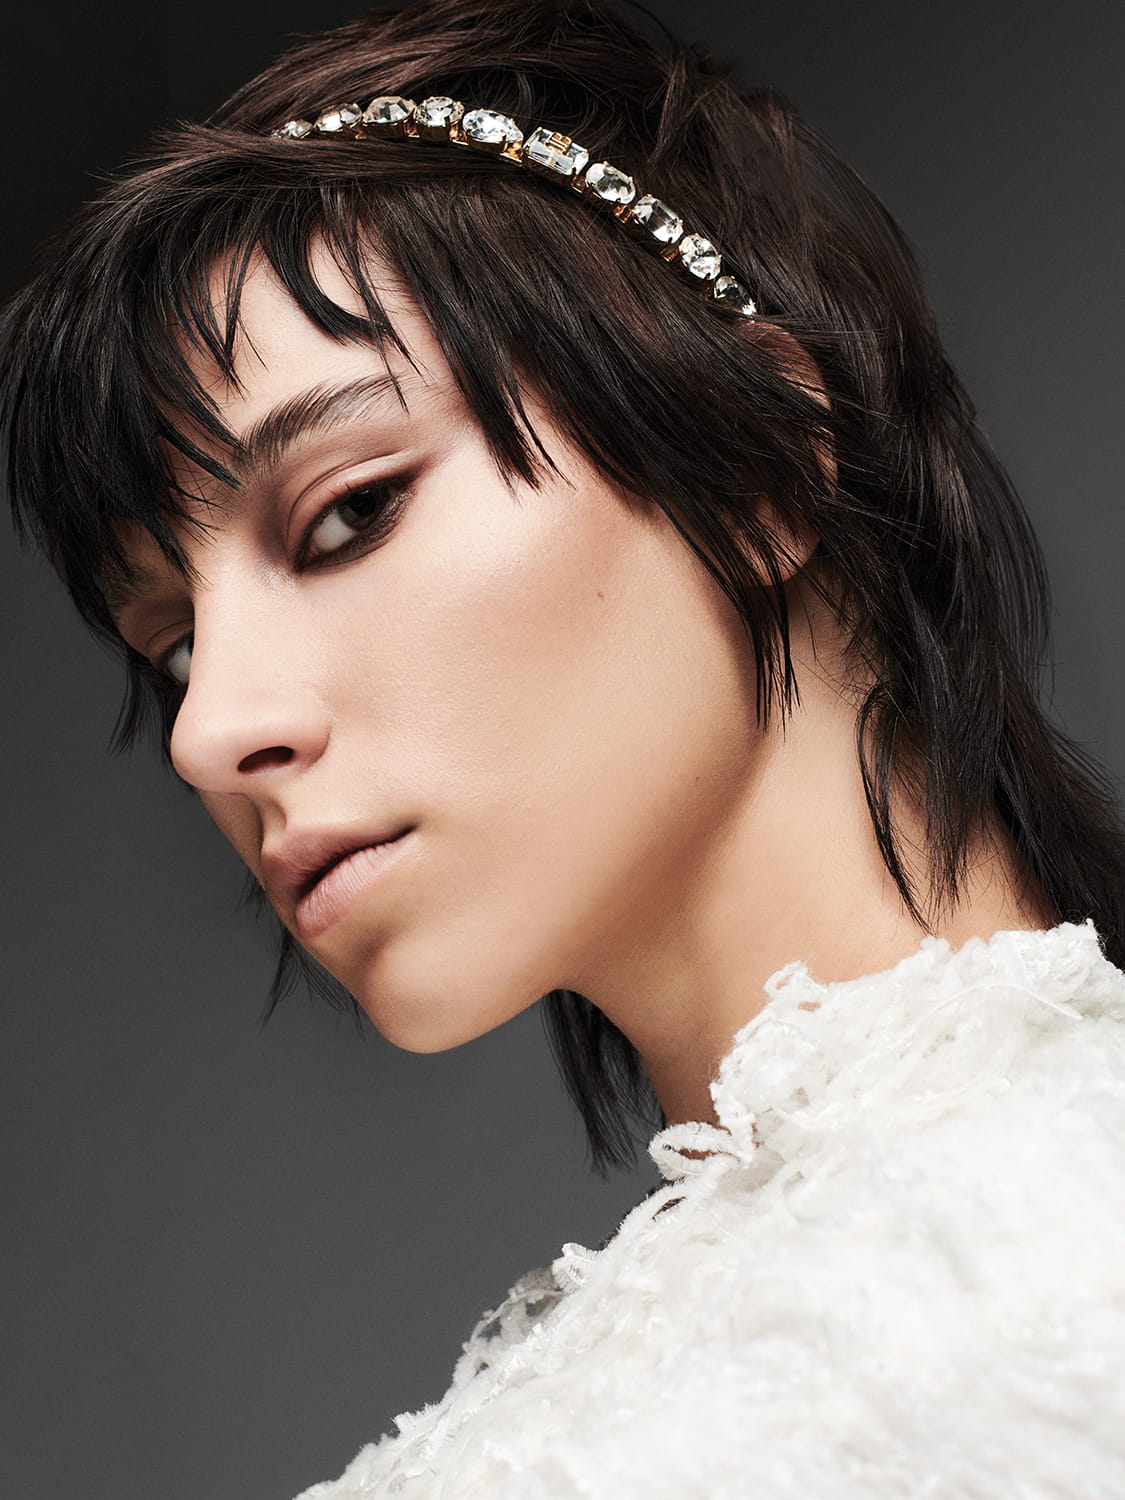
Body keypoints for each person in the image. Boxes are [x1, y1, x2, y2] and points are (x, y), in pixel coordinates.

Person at [4, 0, 1125, 1493]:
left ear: (756, 463)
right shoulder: (717, 1327)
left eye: (349, 513)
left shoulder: (1059, 1239)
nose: (210, 735)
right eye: (176, 652)